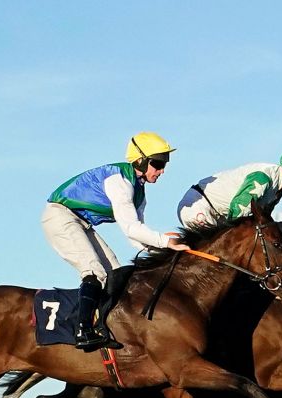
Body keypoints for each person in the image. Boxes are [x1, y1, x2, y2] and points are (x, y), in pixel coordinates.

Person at [43, 132, 187, 350]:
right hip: (60, 216)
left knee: (115, 274)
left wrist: (168, 248)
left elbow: (135, 236)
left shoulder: (140, 193)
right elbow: (130, 227)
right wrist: (164, 242)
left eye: (164, 164)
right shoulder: (119, 181)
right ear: (141, 161)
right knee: (94, 273)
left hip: (81, 223)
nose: (162, 171)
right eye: (157, 164)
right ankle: (82, 329)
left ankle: (102, 326)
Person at [176, 143, 282, 228]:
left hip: (219, 215)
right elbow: (237, 213)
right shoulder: (263, 178)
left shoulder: (277, 192)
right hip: (198, 205)